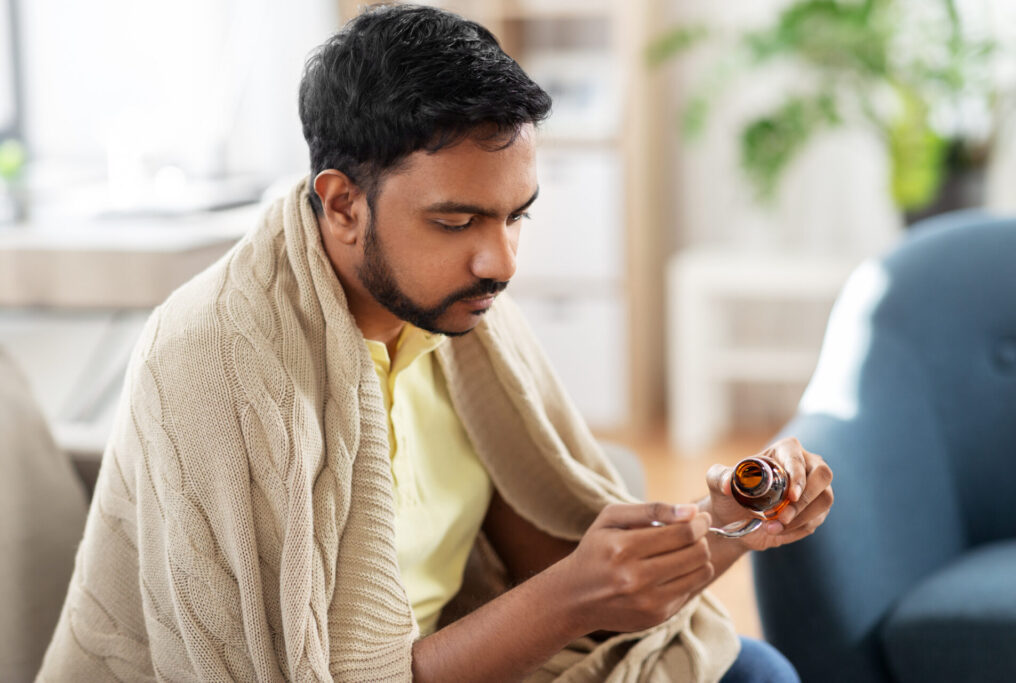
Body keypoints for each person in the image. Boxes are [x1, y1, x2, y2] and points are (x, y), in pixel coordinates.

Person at [39, 5, 832, 681]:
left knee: (752, 669)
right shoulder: (218, 362)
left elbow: (548, 566)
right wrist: (578, 594)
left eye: (516, 214)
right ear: (342, 203)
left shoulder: (459, 315)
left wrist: (732, 522)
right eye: (457, 221)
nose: (502, 261)